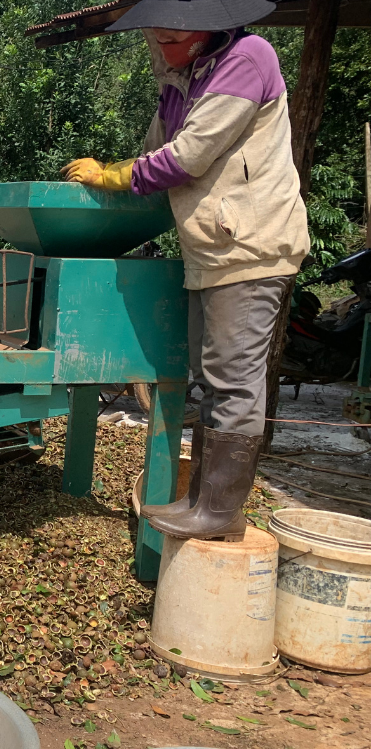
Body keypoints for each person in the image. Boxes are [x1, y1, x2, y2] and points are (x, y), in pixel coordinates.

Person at [62, 0, 309, 540]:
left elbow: (187, 157)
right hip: (213, 247)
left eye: (167, 38)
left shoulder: (247, 59)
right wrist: (118, 170)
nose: (158, 47)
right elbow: (154, 150)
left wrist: (112, 176)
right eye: (155, 38)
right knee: (210, 377)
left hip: (249, 244)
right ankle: (203, 500)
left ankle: (219, 510)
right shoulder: (184, 78)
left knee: (233, 380)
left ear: (202, 33)